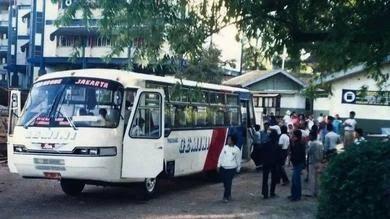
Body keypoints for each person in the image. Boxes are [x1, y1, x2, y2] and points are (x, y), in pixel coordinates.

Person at [217, 135, 241, 202]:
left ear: (233, 141)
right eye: (228, 139)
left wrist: (238, 168)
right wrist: (218, 165)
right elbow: (220, 157)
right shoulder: (225, 148)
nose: (228, 140)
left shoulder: (237, 150)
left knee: (228, 182)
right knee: (225, 183)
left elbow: (238, 160)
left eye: (229, 139)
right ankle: (229, 194)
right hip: (223, 167)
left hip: (231, 168)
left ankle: (225, 197)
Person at [261, 129, 280, 199]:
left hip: (266, 163)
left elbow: (262, 153)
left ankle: (265, 193)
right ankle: (272, 192)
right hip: (274, 163)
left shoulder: (266, 144)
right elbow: (279, 155)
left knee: (265, 178)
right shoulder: (277, 145)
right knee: (273, 178)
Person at [289, 129, 306, 201]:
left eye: (293, 135)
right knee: (294, 180)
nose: (292, 136)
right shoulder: (297, 143)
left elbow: (298, 155)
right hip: (297, 164)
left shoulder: (299, 144)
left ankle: (297, 196)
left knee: (296, 180)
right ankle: (294, 194)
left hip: (298, 164)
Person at [307, 131, 323, 197]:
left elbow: (308, 151)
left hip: (312, 162)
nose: (309, 137)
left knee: (312, 178)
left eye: (310, 136)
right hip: (319, 161)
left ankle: (312, 192)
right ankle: (318, 192)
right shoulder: (320, 143)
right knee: (318, 178)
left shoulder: (312, 143)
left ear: (312, 136)